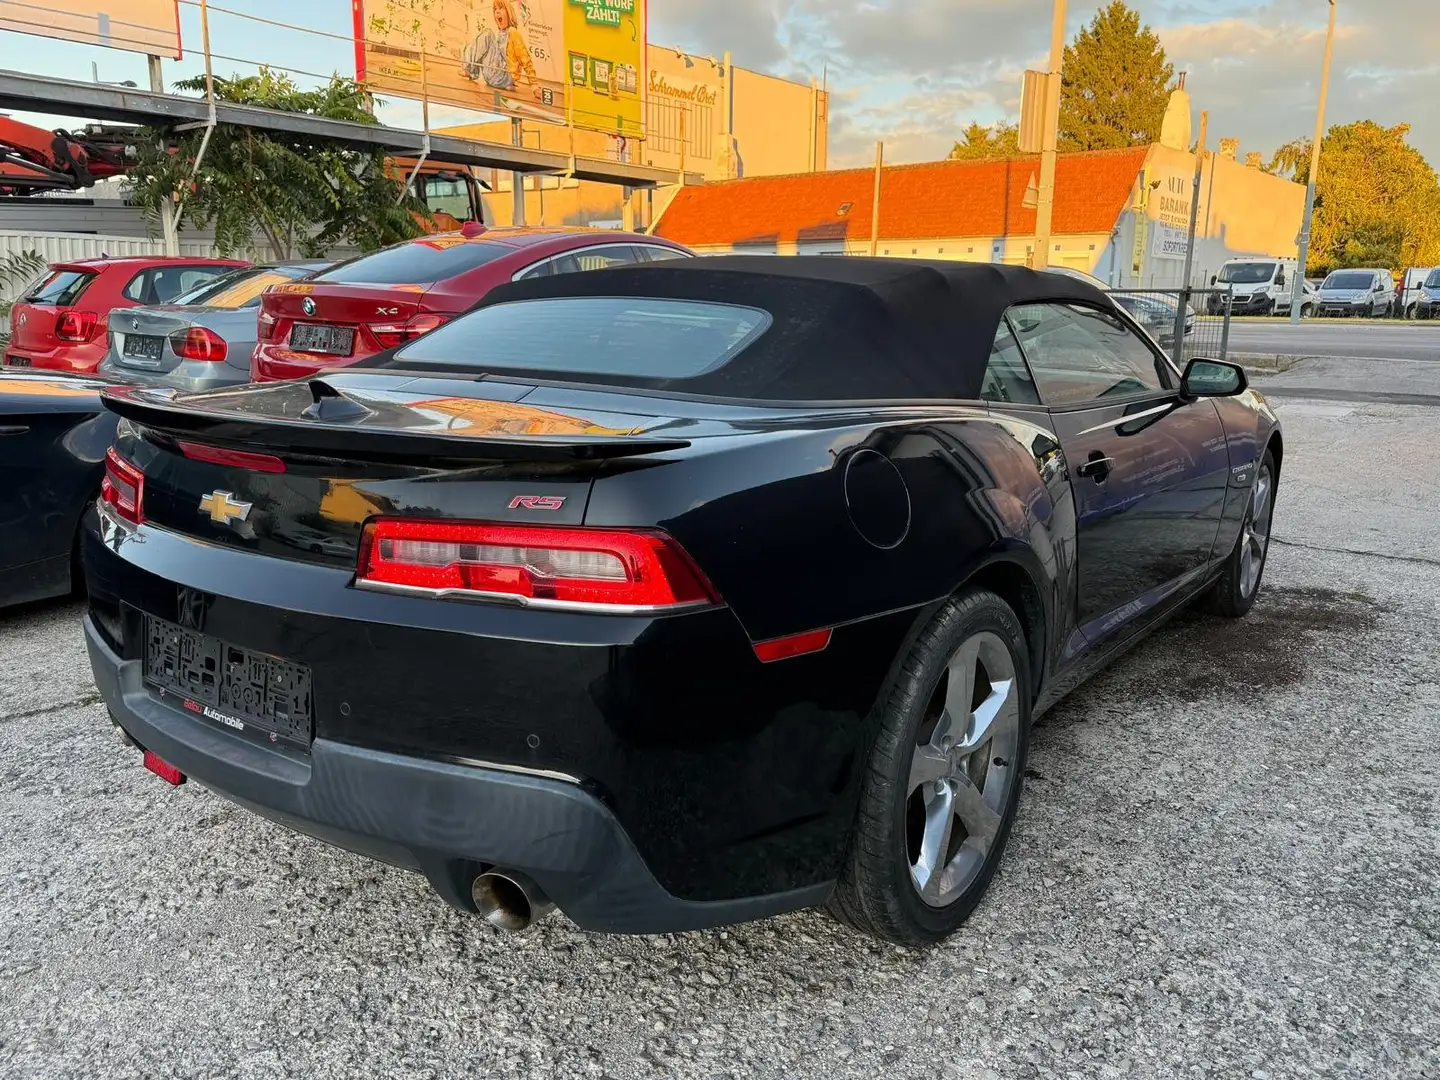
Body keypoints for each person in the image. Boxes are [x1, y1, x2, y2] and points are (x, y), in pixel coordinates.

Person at [460, 0, 543, 101]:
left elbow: (525, 58)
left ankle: (469, 69)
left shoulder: (513, 32)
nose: (497, 12)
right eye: (495, 10)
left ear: (509, 13)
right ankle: (471, 69)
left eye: (501, 8)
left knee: (487, 34)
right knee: (483, 39)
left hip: (504, 76)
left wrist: (534, 86)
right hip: (492, 77)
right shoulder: (498, 34)